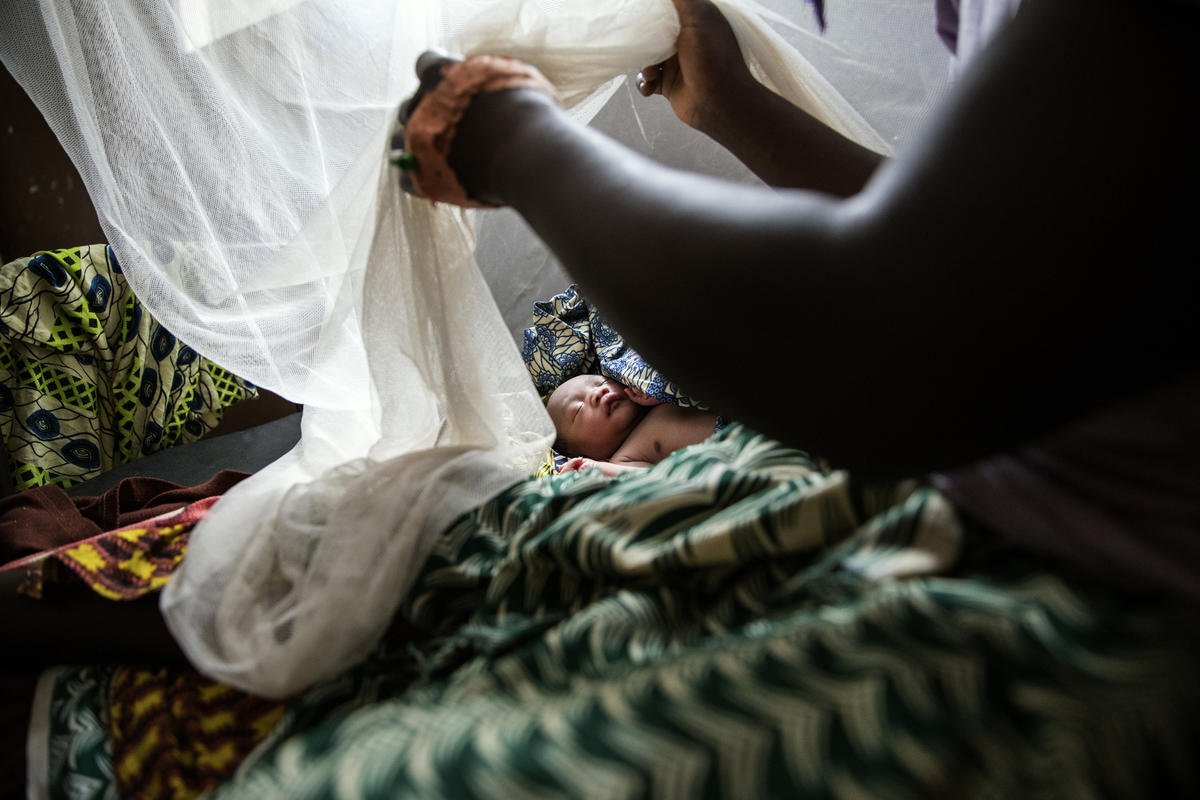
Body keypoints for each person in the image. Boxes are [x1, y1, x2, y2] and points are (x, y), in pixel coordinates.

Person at [396, 0, 1200, 599]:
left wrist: (512, 140)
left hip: (1112, 570)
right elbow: (996, 249)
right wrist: (729, 106)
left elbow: (889, 334)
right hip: (1054, 512)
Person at [546, 373, 717, 475]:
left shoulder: (652, 401)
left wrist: (661, 392)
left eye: (601, 382)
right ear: (582, 453)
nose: (598, 392)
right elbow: (653, 479)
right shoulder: (622, 460)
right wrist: (597, 469)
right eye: (579, 409)